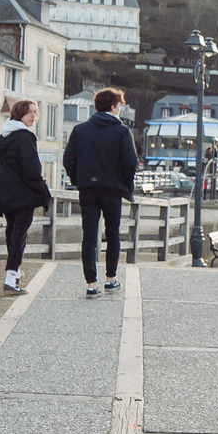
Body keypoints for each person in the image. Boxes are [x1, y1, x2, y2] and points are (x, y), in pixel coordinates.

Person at [62, 87, 141, 300]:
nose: (120, 108)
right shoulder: (122, 131)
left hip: (88, 190)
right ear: (114, 106)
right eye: (120, 105)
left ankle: (91, 284)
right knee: (112, 233)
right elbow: (130, 162)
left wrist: (78, 180)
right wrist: (125, 184)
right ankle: (110, 279)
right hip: (112, 190)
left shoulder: (80, 130)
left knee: (88, 236)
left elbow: (68, 160)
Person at [0, 99, 51, 295]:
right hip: (23, 196)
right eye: (29, 112)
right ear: (18, 114)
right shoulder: (25, 137)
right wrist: (42, 189)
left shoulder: (4, 138)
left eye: (35, 112)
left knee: (13, 233)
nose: (33, 116)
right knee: (19, 235)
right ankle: (11, 276)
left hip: (7, 196)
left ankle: (13, 273)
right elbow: (32, 170)